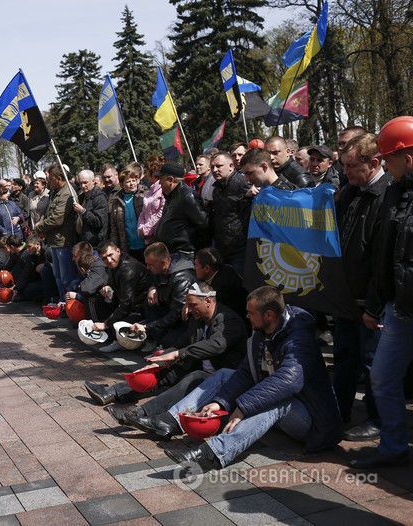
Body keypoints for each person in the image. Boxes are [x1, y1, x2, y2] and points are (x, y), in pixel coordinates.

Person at [149, 286, 341, 471]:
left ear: (269, 315)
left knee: (277, 400)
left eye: (250, 313)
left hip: (312, 420)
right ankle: (171, 421)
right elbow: (247, 372)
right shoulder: (261, 331)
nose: (246, 316)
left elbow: (288, 381)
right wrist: (219, 402)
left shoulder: (299, 338)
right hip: (284, 410)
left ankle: (213, 454)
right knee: (225, 374)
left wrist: (243, 407)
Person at [96, 282, 247, 428]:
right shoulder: (199, 319)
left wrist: (177, 354)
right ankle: (114, 392)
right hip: (197, 365)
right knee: (163, 370)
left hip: (221, 377)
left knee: (192, 378)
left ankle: (140, 413)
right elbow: (182, 344)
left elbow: (216, 345)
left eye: (193, 305)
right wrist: (160, 361)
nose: (189, 309)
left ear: (208, 301)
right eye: (188, 305)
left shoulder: (230, 321)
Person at [354, 116, 413, 469]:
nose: (384, 166)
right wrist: (375, 305)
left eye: (388, 158)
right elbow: (384, 253)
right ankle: (393, 447)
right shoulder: (394, 191)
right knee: (383, 376)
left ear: (407, 157)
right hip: (398, 309)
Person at [332, 133, 391, 442]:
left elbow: (382, 258)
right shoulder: (350, 192)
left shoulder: (387, 196)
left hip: (370, 300)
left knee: (372, 363)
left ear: (374, 163)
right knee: (345, 356)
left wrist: (373, 304)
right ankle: (338, 410)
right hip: (346, 296)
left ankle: (377, 418)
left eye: (352, 166)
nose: (346, 172)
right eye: (344, 166)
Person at [91, 241, 151, 352]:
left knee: (117, 326)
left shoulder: (127, 269)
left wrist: (106, 324)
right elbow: (113, 281)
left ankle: (119, 340)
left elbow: (126, 304)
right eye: (104, 258)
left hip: (141, 308)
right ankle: (112, 337)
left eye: (110, 255)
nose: (109, 260)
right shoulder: (114, 264)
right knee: (99, 300)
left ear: (118, 251)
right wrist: (107, 286)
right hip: (129, 301)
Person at [34, 164, 78, 300]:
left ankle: (70, 304)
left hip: (64, 241)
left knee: (67, 277)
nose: (48, 181)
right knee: (58, 276)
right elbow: (49, 213)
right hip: (55, 240)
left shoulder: (66, 193)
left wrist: (39, 227)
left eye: (51, 178)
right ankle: (62, 302)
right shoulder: (57, 192)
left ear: (59, 178)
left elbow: (57, 218)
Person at [152, 162, 207, 259]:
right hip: (172, 253)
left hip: (184, 255)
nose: (159, 182)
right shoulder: (171, 195)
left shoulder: (187, 196)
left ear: (170, 179)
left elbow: (203, 225)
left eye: (161, 178)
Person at [208, 153, 251, 271]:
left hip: (240, 248)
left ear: (231, 166)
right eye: (212, 167)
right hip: (222, 247)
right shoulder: (216, 188)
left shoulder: (242, 183)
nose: (214, 170)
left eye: (219, 166)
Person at [193, 247, 247, 320]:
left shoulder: (224, 289)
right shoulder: (211, 275)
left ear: (206, 268)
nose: (194, 268)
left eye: (196, 265)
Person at [109, 162, 147, 260]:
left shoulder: (144, 194)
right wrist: (115, 245)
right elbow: (114, 227)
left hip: (145, 243)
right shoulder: (116, 200)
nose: (131, 183)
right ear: (122, 184)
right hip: (128, 246)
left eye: (134, 180)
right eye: (128, 181)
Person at [74, 169, 109, 247]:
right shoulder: (81, 197)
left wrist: (83, 211)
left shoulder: (100, 198)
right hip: (83, 242)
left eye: (85, 182)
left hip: (96, 243)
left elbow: (99, 222)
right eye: (80, 183)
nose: (82, 186)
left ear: (93, 181)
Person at [136, 156, 166, 245]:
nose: (145, 174)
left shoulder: (163, 189)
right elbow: (143, 212)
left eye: (146, 171)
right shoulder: (149, 191)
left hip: (159, 237)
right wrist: (140, 227)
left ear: (152, 172)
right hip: (148, 238)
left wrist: (146, 229)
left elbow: (161, 212)